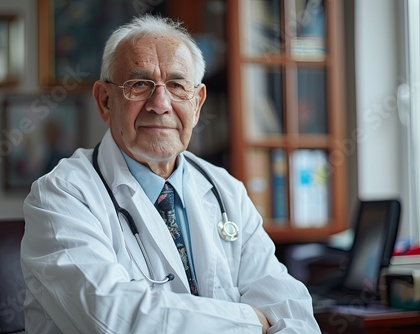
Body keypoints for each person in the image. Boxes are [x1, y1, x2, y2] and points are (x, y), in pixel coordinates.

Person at [21, 14, 321, 334]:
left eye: (177, 86)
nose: (160, 103)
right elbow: (113, 319)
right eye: (139, 85)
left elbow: (292, 310)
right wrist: (253, 321)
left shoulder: (226, 190)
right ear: (105, 101)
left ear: (197, 102)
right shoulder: (60, 196)